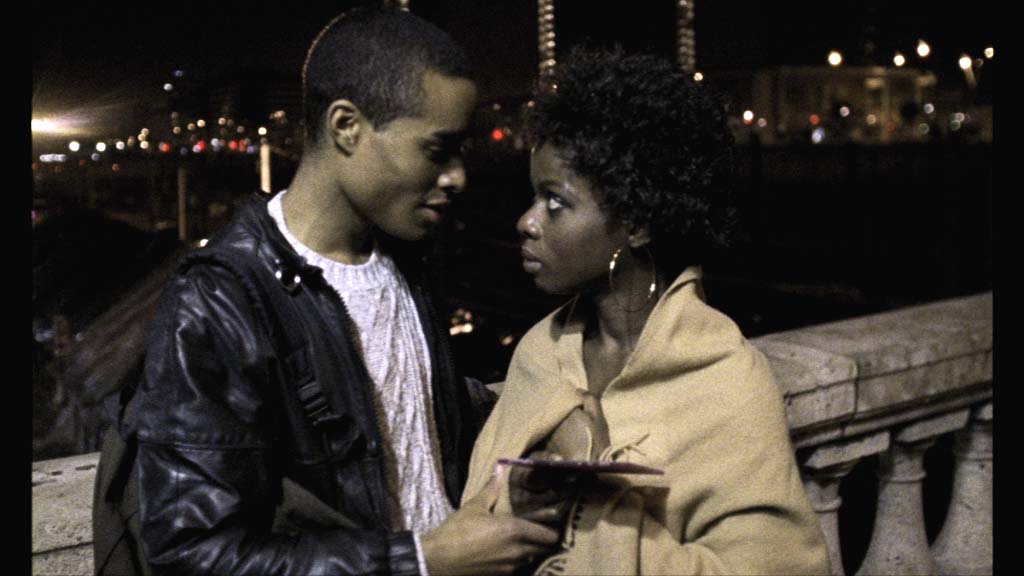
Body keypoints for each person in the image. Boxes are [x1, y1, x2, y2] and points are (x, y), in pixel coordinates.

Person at [120, 6, 559, 575]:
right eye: (437, 150)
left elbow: (410, 417)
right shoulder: (221, 301)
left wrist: (541, 424)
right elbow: (191, 554)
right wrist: (420, 560)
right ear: (346, 126)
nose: (458, 176)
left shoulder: (407, 257)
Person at [462, 47, 832, 575]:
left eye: (555, 202)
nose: (526, 221)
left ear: (635, 223)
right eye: (532, 197)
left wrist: (596, 488)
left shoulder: (725, 378)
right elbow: (478, 526)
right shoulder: (540, 354)